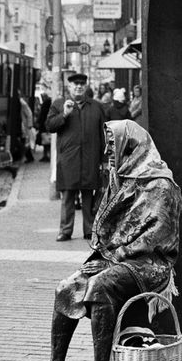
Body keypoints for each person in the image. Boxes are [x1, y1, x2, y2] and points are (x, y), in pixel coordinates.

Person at [25, 119, 181, 361]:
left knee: (99, 286)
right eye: (109, 145)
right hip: (117, 259)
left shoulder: (160, 184)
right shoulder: (120, 178)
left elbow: (157, 239)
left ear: (130, 146)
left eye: (113, 145)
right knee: (66, 287)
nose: (109, 150)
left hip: (149, 264)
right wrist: (105, 258)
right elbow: (106, 228)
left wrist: (112, 259)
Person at [47, 73, 107, 242]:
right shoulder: (59, 105)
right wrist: (64, 114)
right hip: (69, 160)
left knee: (89, 196)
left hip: (90, 159)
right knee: (67, 197)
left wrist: (104, 160)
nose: (79, 87)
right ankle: (65, 230)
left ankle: (89, 230)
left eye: (82, 84)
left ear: (86, 87)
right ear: (70, 87)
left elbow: (104, 134)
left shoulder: (96, 107)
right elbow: (50, 126)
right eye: (75, 84)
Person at [36, 91, 53, 162]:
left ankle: (46, 155)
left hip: (44, 126)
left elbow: (41, 115)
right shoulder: (49, 104)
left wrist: (38, 122)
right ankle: (47, 155)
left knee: (45, 142)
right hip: (48, 126)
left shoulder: (45, 105)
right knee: (47, 142)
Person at [19, 91, 35, 163]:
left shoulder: (23, 103)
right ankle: (29, 157)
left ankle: (29, 157)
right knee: (25, 142)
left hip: (24, 126)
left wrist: (29, 125)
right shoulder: (21, 102)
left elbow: (29, 114)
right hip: (23, 125)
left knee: (25, 142)